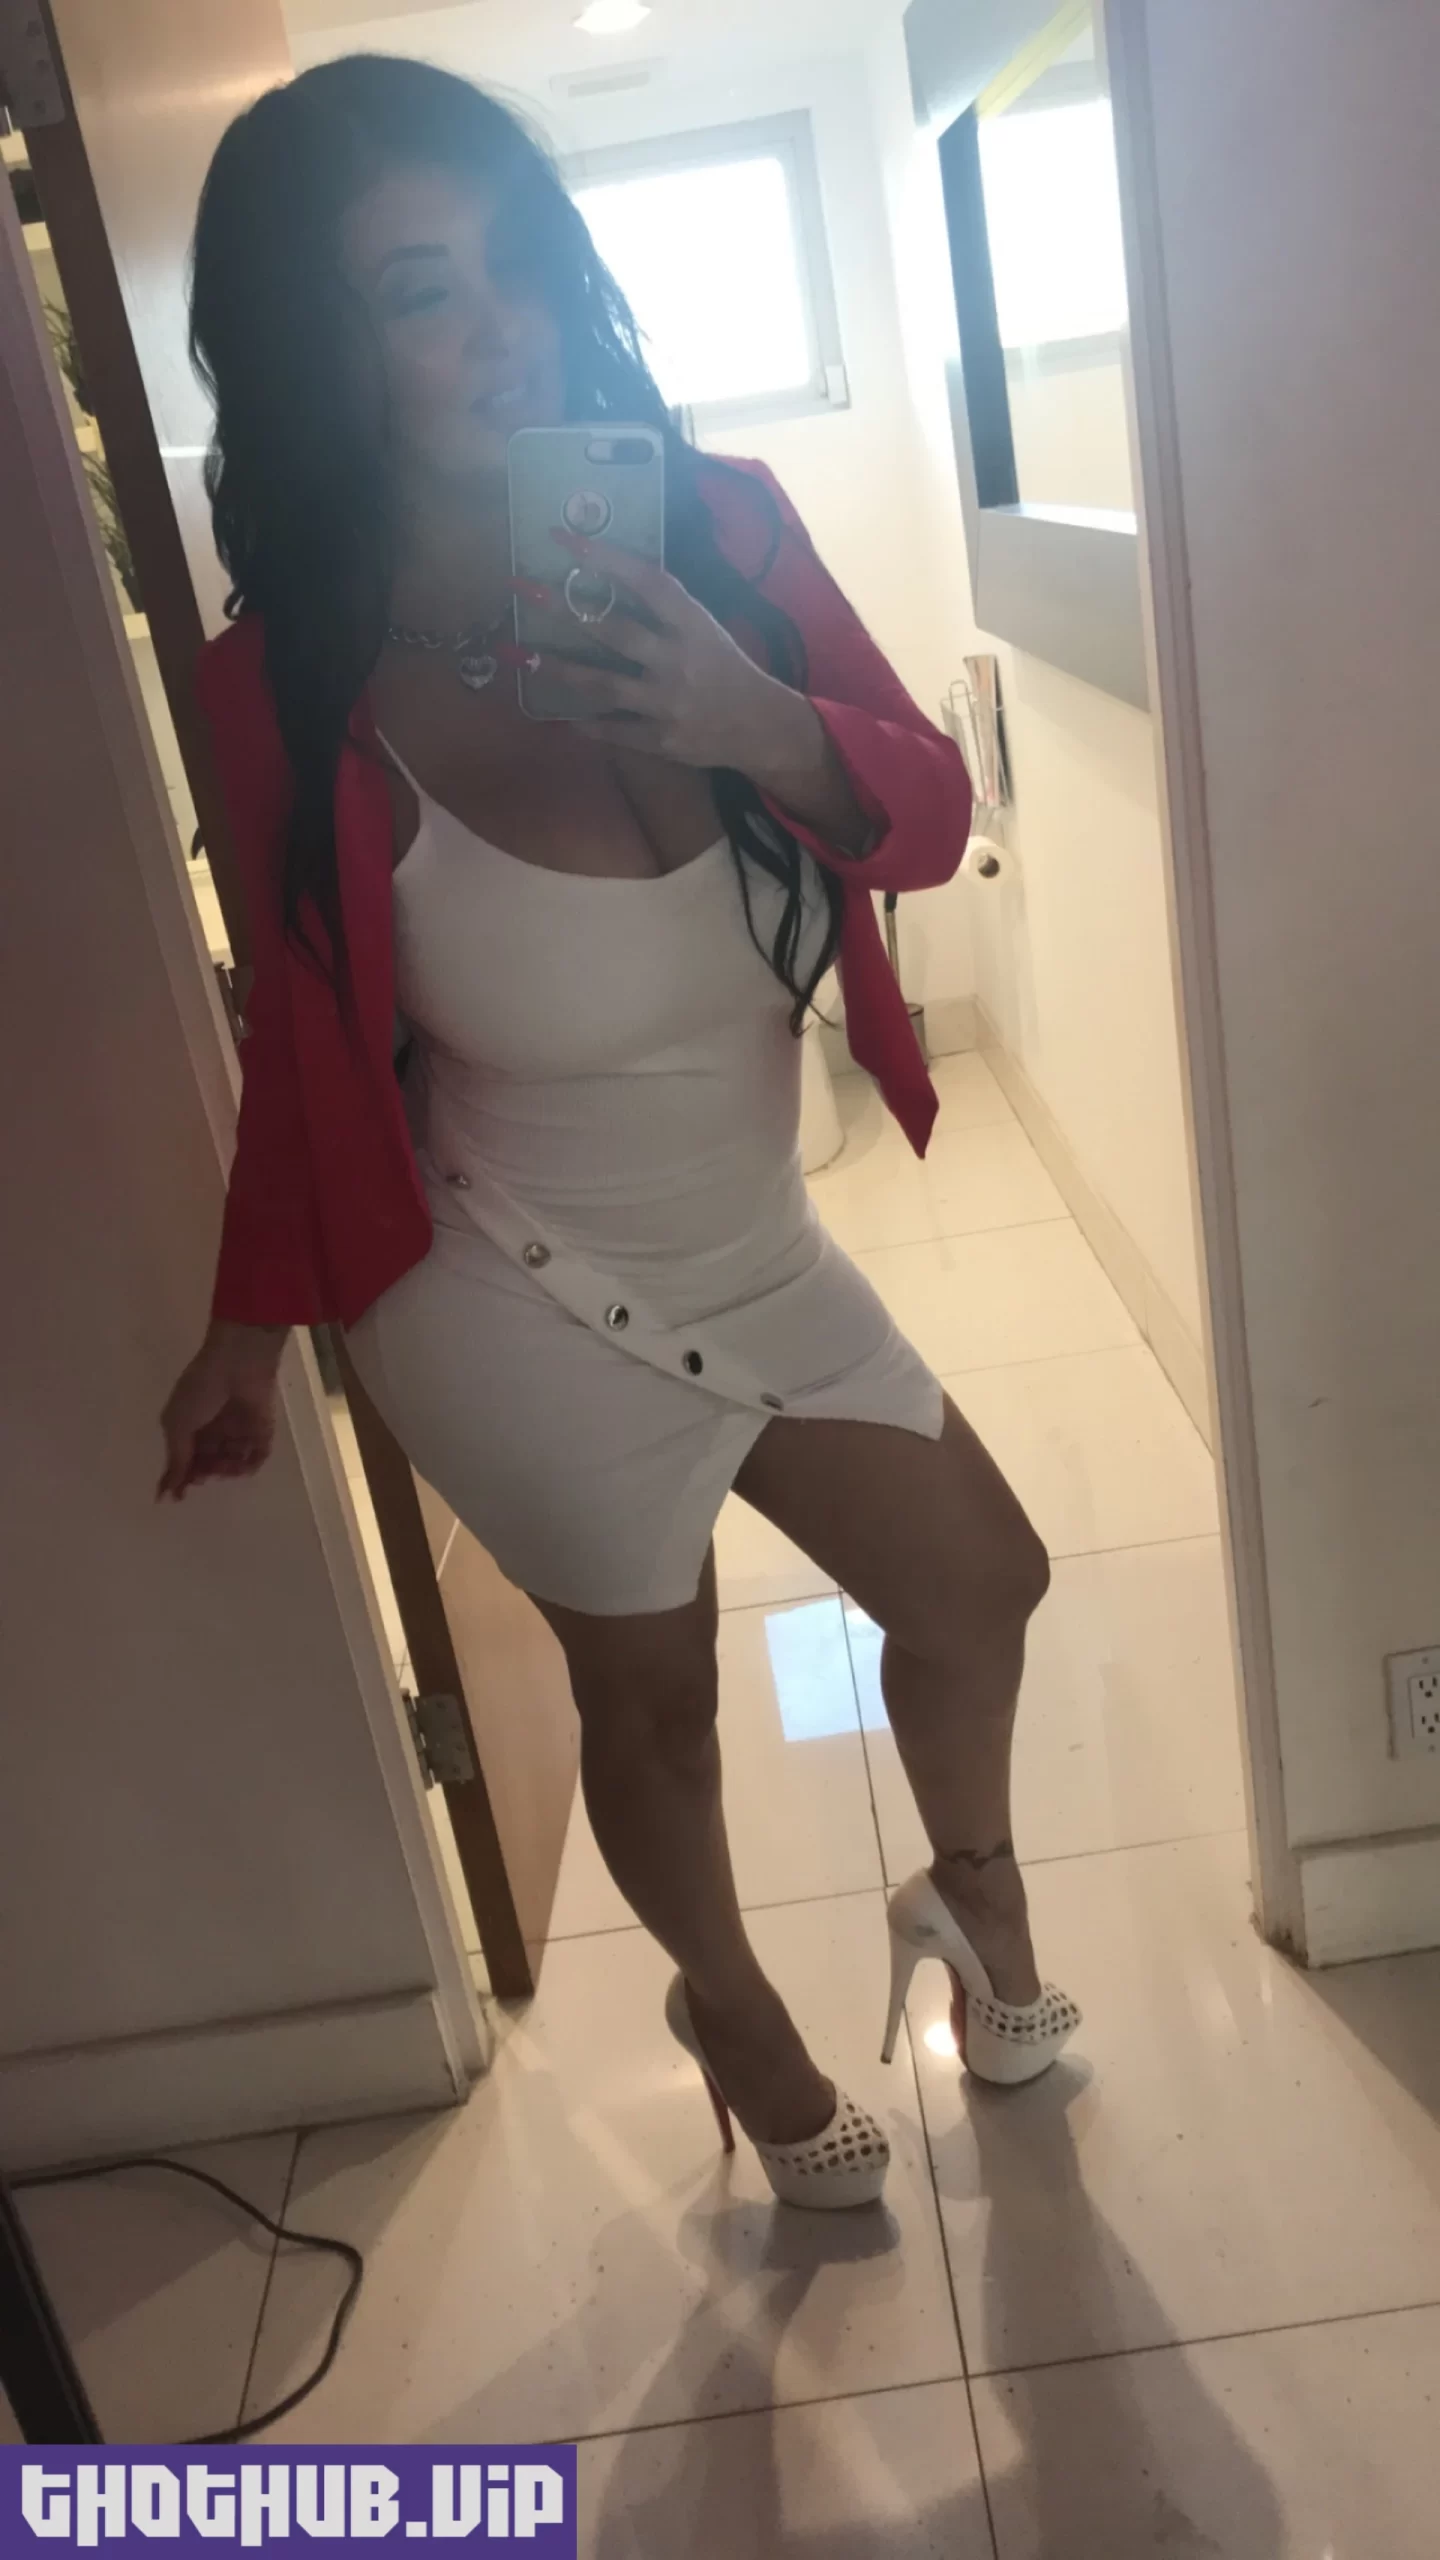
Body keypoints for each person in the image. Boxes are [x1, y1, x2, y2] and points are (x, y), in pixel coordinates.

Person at [158, 54, 1079, 2213]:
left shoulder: (721, 531)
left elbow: (923, 820)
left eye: (518, 266)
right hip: (504, 1281)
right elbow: (306, 1041)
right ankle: (734, 2016)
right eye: (421, 294)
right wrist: (248, 1329)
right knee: (651, 1699)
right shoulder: (283, 688)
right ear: (317, 351)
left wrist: (758, 718)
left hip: (751, 1239)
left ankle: (969, 1895)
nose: (505, 332)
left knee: (984, 1584)